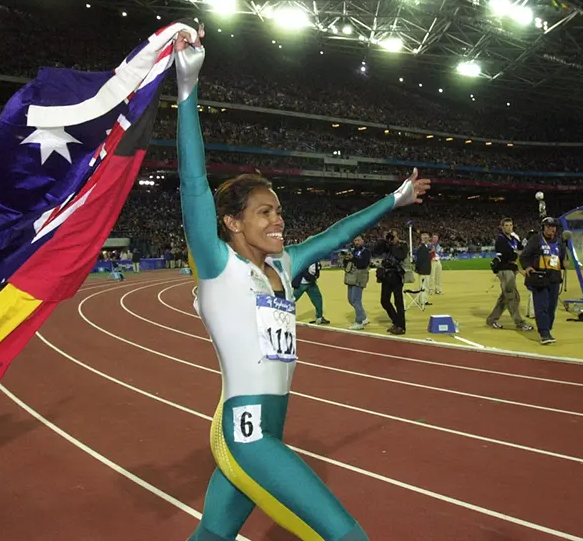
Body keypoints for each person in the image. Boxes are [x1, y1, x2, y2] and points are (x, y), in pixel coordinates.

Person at [174, 27, 430, 541]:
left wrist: (393, 201)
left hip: (272, 425)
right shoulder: (219, 267)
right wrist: (186, 88)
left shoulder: (285, 267)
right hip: (245, 431)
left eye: (280, 212)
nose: (277, 221)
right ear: (231, 222)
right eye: (264, 212)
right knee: (346, 535)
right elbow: (193, 182)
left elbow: (337, 233)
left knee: (214, 535)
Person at [519, 217, 568, 344]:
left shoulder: (559, 242)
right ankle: (544, 333)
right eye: (548, 226)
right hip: (540, 277)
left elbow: (562, 260)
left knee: (552, 307)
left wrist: (565, 263)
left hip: (555, 278)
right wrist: (527, 267)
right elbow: (524, 256)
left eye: (553, 227)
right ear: (543, 227)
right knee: (542, 306)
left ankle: (547, 329)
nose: (551, 229)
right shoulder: (536, 240)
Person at [487, 218, 534, 332]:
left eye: (510, 225)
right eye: (506, 225)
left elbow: (521, 251)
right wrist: (516, 255)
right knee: (513, 297)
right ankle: (520, 323)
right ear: (502, 227)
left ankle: (492, 319)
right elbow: (507, 256)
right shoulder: (501, 240)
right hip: (504, 271)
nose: (509, 227)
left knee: (505, 297)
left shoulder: (513, 239)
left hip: (511, 270)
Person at [374, 230, 409, 334]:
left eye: (393, 236)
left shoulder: (403, 245)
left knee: (398, 301)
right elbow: (376, 251)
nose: (391, 238)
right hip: (386, 275)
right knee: (384, 301)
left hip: (396, 276)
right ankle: (396, 321)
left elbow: (400, 256)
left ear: (397, 236)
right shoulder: (386, 245)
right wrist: (383, 240)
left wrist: (393, 244)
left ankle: (401, 326)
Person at [343, 235, 371, 330]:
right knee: (351, 300)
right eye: (355, 240)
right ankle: (363, 317)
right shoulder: (352, 251)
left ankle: (359, 322)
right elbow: (346, 264)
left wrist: (353, 258)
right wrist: (345, 259)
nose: (357, 242)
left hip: (359, 278)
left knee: (356, 300)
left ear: (363, 241)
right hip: (351, 277)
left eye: (358, 240)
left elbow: (363, 264)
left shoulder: (366, 252)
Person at [414, 231, 432, 307]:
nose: (429, 239)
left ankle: (422, 300)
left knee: (423, 286)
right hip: (424, 271)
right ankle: (422, 301)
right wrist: (418, 269)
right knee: (424, 286)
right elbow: (420, 260)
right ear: (424, 239)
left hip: (424, 270)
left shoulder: (423, 247)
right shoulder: (422, 248)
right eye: (427, 238)